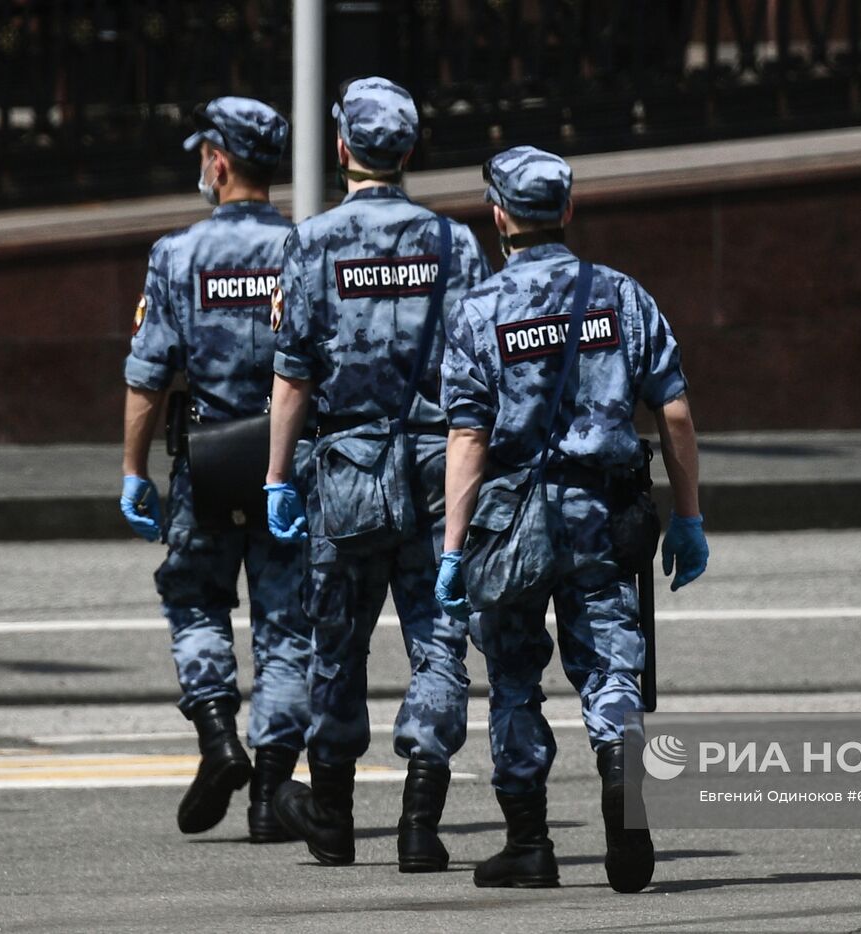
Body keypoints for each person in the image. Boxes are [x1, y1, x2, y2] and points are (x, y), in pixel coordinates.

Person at [433, 146, 710, 893]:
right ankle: (622, 765)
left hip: (512, 516)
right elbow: (674, 409)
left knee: (516, 673)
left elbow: (467, 438)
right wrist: (686, 516)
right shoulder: (620, 295)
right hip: (605, 512)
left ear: (497, 215)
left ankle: (529, 843)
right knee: (612, 661)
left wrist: (453, 551)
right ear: (568, 210)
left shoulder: (480, 311)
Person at [263, 76, 492, 870]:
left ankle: (331, 822)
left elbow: (292, 376)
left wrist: (276, 477)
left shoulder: (314, 241)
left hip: (345, 470)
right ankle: (420, 827)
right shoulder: (455, 244)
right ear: (408, 151)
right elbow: (480, 369)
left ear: (342, 148)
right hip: (436, 466)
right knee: (438, 644)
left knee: (337, 645)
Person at [119, 97, 312, 842]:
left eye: (205, 153)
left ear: (220, 162)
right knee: (286, 627)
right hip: (284, 468)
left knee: (196, 599)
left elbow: (148, 377)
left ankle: (215, 736)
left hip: (206, 463)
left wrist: (134, 470)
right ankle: (269, 795)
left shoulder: (177, 255)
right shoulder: (304, 249)